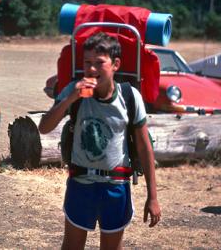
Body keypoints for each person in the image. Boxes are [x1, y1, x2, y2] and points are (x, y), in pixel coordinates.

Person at [39, 32, 161, 250]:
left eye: (99, 63)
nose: (92, 69)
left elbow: (144, 147)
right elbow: (44, 127)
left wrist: (153, 197)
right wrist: (70, 98)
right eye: (87, 63)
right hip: (80, 184)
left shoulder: (129, 96)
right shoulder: (76, 92)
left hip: (116, 186)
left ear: (115, 64)